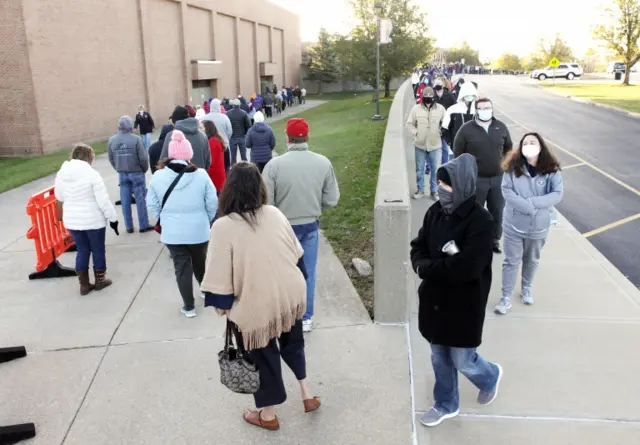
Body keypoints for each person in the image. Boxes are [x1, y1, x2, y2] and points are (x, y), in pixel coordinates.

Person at [200, 163, 321, 431]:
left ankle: (267, 414)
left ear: (228, 191)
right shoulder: (275, 213)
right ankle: (307, 393)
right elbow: (297, 257)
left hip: (258, 304)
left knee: (263, 354)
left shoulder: (223, 226)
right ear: (260, 188)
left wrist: (226, 309)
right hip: (290, 294)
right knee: (293, 342)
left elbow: (219, 279)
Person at [410, 154, 503, 428]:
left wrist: (428, 268)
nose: (440, 189)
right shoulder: (434, 211)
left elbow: (468, 267)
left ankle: (490, 376)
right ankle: (446, 403)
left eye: (446, 185)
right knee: (439, 357)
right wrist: (422, 265)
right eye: (438, 183)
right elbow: (419, 246)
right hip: (434, 300)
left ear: (461, 185)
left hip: (465, 303)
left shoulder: (481, 221)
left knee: (463, 360)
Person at [263, 118, 340, 333]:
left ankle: (284, 314)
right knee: (308, 272)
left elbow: (265, 202)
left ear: (287, 138)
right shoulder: (323, 163)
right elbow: (332, 199)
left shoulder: (274, 166)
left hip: (282, 228)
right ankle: (306, 317)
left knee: (281, 272)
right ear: (307, 137)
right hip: (310, 226)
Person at [147, 130, 218, 318]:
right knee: (200, 261)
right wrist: (207, 219)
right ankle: (205, 290)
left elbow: (151, 203)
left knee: (181, 267)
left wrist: (163, 217)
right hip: (198, 230)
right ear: (188, 154)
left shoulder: (158, 176)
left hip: (173, 232)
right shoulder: (201, 175)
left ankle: (189, 306)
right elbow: (212, 202)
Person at [494, 133, 563, 314]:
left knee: (532, 259)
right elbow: (506, 190)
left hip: (539, 225)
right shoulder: (511, 168)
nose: (529, 145)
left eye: (533, 142)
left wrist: (534, 204)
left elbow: (557, 193)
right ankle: (505, 297)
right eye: (525, 143)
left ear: (541, 146)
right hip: (513, 224)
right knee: (511, 261)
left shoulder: (551, 169)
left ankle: (526, 288)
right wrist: (527, 206)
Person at [55, 143, 119, 295]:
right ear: (89, 157)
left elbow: (59, 197)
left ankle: (84, 285)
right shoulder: (92, 174)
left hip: (73, 220)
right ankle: (100, 280)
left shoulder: (62, 174)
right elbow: (103, 201)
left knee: (82, 250)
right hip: (93, 220)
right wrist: (113, 218)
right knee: (97, 249)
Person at [453, 97, 513, 253]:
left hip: (498, 179)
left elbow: (508, 149)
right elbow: (458, 153)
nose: (486, 111)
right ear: (476, 110)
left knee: (497, 211)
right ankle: (472, 240)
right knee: (474, 212)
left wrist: (504, 166)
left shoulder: (501, 127)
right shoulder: (466, 129)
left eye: (488, 108)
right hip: (476, 179)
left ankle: (493, 240)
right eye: (482, 108)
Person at [108, 116, 153, 234]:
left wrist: (118, 168)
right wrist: (144, 169)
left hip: (122, 173)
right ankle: (143, 225)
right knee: (140, 200)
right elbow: (143, 158)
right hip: (137, 172)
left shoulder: (112, 140)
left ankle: (129, 226)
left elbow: (111, 158)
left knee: (125, 201)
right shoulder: (136, 139)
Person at [406, 86, 446, 201]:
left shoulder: (441, 109)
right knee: (419, 169)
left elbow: (446, 123)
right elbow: (409, 124)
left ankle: (434, 191)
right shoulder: (416, 109)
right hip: (420, 144)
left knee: (435, 169)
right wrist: (416, 132)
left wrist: (442, 131)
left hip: (435, 144)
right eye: (426, 96)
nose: (428, 98)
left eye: (430, 96)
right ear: (423, 96)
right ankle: (420, 190)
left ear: (434, 96)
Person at [442, 81, 477, 149]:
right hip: (457, 147)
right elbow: (444, 128)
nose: (469, 97)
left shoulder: (478, 109)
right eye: (467, 95)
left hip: (475, 148)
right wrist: (451, 143)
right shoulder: (452, 109)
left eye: (472, 95)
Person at [200, 99, 233, 165]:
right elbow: (230, 132)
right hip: (224, 145)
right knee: (225, 166)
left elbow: (201, 131)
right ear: (218, 106)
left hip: (208, 146)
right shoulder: (224, 118)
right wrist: (225, 138)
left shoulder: (204, 118)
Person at [433, 79, 456, 166]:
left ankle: (444, 165)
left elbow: (454, 109)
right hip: (434, 125)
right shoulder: (432, 96)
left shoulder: (450, 96)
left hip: (446, 126)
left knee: (444, 148)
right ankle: (430, 165)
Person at [202, 120, 227, 192]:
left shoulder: (212, 142)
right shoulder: (215, 139)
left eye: (201, 128)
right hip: (217, 178)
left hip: (214, 179)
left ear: (207, 129)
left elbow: (211, 163)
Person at [226, 98, 252, 164]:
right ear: (239, 105)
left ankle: (234, 171)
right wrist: (245, 132)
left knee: (233, 157)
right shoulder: (244, 113)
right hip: (242, 136)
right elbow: (249, 125)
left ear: (233, 105)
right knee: (244, 156)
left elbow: (227, 125)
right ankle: (246, 169)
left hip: (232, 137)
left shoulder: (228, 113)